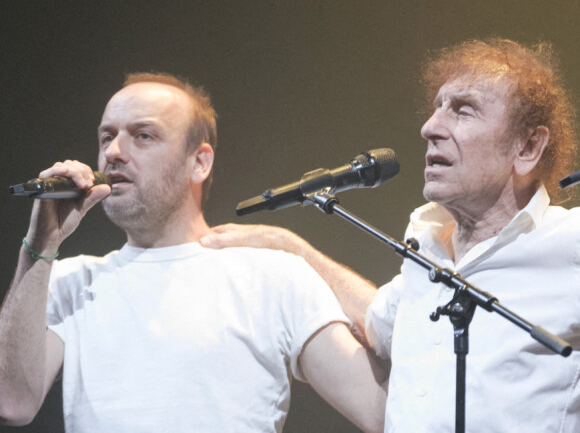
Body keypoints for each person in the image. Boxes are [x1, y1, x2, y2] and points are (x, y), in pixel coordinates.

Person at [201, 38, 580, 432]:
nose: (430, 128)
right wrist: (292, 249)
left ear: (528, 146)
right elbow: (377, 319)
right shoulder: (427, 254)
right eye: (436, 108)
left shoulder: (568, 243)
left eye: (463, 111)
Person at [0, 72, 387, 432]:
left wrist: (303, 253)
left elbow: (381, 412)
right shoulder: (69, 281)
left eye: (143, 136)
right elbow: (13, 402)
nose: (113, 152)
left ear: (199, 162)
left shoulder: (272, 275)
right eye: (106, 137)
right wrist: (41, 245)